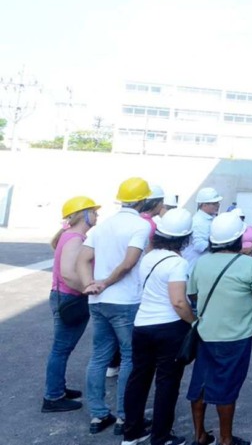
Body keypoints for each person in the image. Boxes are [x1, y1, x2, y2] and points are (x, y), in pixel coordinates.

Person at [76, 177, 153, 435]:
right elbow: (129, 263)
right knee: (130, 357)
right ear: (143, 201)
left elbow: (83, 259)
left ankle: (98, 416)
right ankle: (125, 417)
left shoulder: (103, 226)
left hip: (98, 302)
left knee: (99, 357)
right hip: (125, 302)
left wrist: (91, 285)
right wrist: (106, 283)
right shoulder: (140, 226)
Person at [186, 212, 252, 445]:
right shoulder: (251, 265)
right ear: (238, 239)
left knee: (201, 383)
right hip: (236, 337)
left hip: (205, 333)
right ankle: (226, 439)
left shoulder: (201, 263)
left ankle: (200, 436)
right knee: (227, 387)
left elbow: (192, 295)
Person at [122, 209, 196, 445]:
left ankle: (131, 432)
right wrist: (194, 322)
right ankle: (161, 437)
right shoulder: (178, 263)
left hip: (142, 326)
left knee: (138, 379)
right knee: (167, 383)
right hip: (169, 329)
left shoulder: (148, 257)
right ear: (184, 238)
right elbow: (178, 302)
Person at [42, 196, 100, 413]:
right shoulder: (75, 238)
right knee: (61, 348)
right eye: (94, 212)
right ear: (83, 214)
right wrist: (89, 288)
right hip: (70, 298)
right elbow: (68, 274)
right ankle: (53, 397)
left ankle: (57, 388)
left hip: (64, 297)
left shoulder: (71, 236)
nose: (97, 216)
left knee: (62, 348)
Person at [183, 187, 223, 277]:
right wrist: (220, 245)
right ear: (204, 205)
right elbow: (199, 245)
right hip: (195, 267)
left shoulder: (210, 218)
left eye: (218, 203)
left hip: (204, 266)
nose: (218, 205)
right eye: (214, 203)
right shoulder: (198, 222)